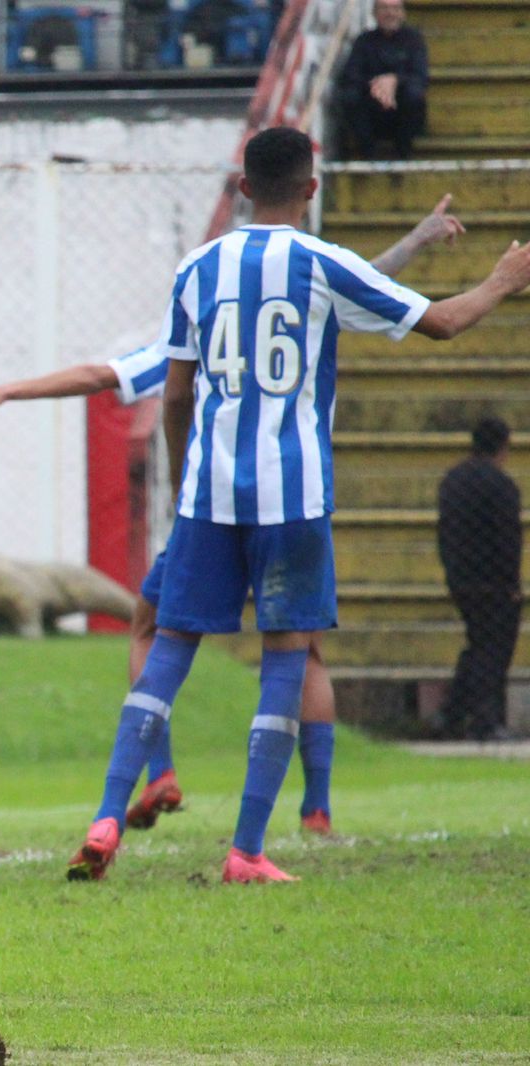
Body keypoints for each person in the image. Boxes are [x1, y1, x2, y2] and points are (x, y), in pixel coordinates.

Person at [63, 126, 530, 885]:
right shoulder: (322, 264)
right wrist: (504, 280)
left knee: (169, 650)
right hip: (293, 495)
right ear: (312, 190)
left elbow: (175, 394)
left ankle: (108, 816)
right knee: (286, 657)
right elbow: (442, 321)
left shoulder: (197, 266)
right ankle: (246, 850)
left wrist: (189, 485)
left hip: (209, 496)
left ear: (242, 188)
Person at [0, 196, 465, 837]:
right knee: (302, 650)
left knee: (155, 627)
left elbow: (101, 374)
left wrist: (2, 391)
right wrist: (418, 240)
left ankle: (157, 772)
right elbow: (362, 277)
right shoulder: (309, 294)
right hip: (289, 500)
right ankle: (314, 809)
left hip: (213, 506)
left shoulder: (202, 333)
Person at [437, 417, 522, 741]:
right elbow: (507, 540)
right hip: (494, 583)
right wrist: (512, 584)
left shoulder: (453, 481)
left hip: (462, 578)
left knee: (478, 646)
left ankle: (452, 713)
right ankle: (483, 720)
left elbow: (445, 533)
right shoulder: (502, 486)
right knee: (493, 650)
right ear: (502, 447)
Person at [337, 0, 429, 159]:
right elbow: (350, 75)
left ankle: (403, 153)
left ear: (402, 13)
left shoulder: (413, 40)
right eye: (384, 8)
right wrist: (377, 85)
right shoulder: (364, 41)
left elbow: (421, 76)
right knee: (349, 96)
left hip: (401, 110)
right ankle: (368, 153)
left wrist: (395, 81)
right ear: (374, 13)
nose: (390, 13)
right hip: (372, 109)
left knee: (414, 95)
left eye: (395, 8)